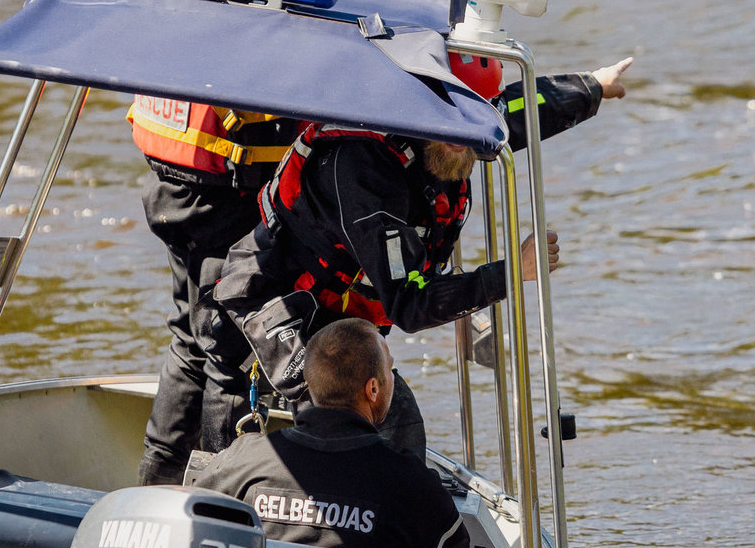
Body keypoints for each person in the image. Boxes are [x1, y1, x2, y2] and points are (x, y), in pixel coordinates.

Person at [209, 54, 635, 456]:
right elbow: (409, 305)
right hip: (278, 301)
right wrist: (509, 273)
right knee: (378, 420)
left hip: (338, 302)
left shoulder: (465, 122)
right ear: (417, 106)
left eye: (474, 120)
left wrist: (593, 85)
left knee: (393, 427)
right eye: (448, 123)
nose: (461, 136)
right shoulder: (365, 170)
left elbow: (525, 108)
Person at [134, 0, 312, 486]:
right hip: (223, 204)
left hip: (172, 192)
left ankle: (157, 481)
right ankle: (210, 492)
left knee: (189, 339)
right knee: (225, 356)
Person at [193, 317, 469, 548]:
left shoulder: (247, 458)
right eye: (390, 370)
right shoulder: (407, 479)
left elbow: (192, 520)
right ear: (372, 389)